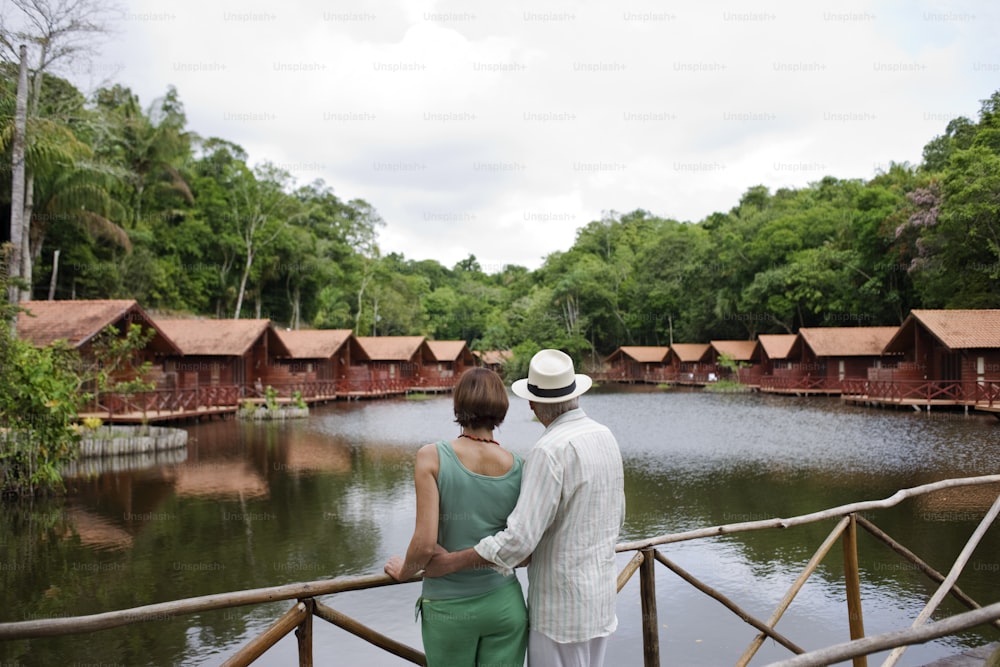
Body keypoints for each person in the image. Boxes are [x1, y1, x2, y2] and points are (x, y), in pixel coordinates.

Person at [425, 349, 626, 667]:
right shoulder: (605, 436)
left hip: (560, 611)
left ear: (532, 404)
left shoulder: (549, 450)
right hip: (600, 601)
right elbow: (618, 517)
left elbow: (518, 541)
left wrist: (450, 562)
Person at [384, 367, 527, 667]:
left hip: (450, 608)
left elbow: (424, 545)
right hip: (505, 605)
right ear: (501, 406)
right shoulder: (519, 466)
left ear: (458, 404)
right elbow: (524, 550)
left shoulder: (432, 457)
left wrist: (403, 571)